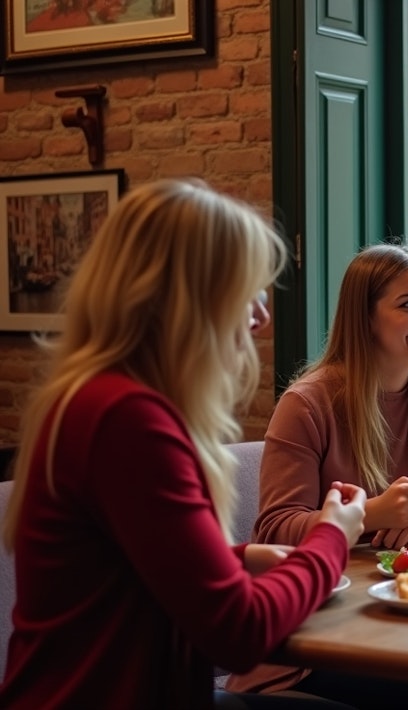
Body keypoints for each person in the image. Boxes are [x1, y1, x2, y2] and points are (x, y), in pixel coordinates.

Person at [0, 179, 368, 710]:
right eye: (247, 291)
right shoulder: (127, 420)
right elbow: (238, 633)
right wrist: (331, 537)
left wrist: (238, 558)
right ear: (188, 299)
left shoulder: (96, 398)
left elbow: (134, 563)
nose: (262, 317)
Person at [226, 243, 408, 704]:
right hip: (315, 643)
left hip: (402, 621)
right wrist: (372, 514)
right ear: (365, 319)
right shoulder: (307, 403)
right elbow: (274, 527)